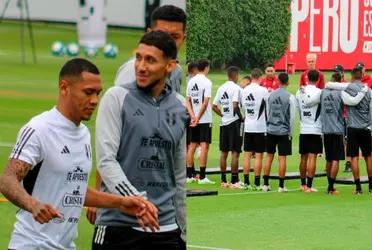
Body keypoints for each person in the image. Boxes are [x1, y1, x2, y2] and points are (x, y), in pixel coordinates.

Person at [0, 58, 158, 250]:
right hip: (31, 245)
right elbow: (7, 180)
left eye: (98, 93)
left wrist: (122, 202)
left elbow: (74, 188)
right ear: (64, 87)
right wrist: (33, 205)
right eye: (88, 92)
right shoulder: (39, 129)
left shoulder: (83, 134)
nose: (95, 101)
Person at [92, 31, 187, 249]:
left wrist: (182, 229)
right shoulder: (116, 97)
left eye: (150, 60)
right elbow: (106, 161)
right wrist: (139, 203)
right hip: (118, 227)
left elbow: (179, 173)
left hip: (167, 230)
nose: (141, 66)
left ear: (170, 66)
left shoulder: (181, 107)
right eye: (138, 57)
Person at [114, 5, 186, 93]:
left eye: (175, 37)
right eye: (161, 34)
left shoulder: (177, 71)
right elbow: (119, 103)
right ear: (149, 34)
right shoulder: (133, 70)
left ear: (183, 39)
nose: (168, 41)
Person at [262, 72, 296, 192]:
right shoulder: (290, 97)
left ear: (278, 81)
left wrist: (268, 126)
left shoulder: (270, 95)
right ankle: (281, 186)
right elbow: (292, 118)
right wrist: (290, 132)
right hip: (283, 131)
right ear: (287, 82)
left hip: (270, 129)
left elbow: (267, 112)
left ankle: (265, 184)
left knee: (269, 157)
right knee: (282, 158)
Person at [340, 67, 372, 194]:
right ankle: (371, 186)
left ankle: (358, 188)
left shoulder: (347, 89)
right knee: (369, 157)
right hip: (365, 128)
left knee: (354, 158)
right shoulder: (368, 91)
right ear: (362, 75)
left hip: (352, 128)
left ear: (352, 76)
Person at [212, 66, 243, 188]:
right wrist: (241, 118)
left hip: (224, 123)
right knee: (235, 152)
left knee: (223, 153)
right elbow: (235, 105)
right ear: (235, 76)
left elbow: (214, 106)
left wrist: (222, 114)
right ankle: (234, 180)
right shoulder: (236, 88)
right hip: (234, 122)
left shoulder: (221, 88)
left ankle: (223, 180)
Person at [186, 59, 214, 185]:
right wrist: (198, 117)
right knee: (204, 146)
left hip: (193, 118)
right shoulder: (207, 82)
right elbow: (205, 102)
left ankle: (189, 176)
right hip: (204, 119)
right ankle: (202, 177)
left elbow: (188, 100)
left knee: (192, 145)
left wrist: (192, 116)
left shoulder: (191, 81)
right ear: (206, 68)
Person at [240, 68, 269, 190]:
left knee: (246, 155)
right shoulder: (263, 90)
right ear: (260, 77)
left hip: (248, 126)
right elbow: (267, 108)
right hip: (260, 127)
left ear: (251, 77)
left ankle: (246, 182)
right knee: (258, 156)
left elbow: (243, 107)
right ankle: (257, 183)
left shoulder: (244, 90)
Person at [296, 70, 323, 193]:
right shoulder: (320, 92)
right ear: (318, 80)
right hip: (315, 129)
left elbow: (298, 108)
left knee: (303, 158)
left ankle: (302, 185)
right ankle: (309, 186)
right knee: (312, 158)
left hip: (303, 128)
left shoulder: (299, 91)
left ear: (307, 78)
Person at [320, 72, 346, 194]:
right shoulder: (340, 93)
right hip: (337, 130)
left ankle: (329, 186)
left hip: (326, 130)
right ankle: (331, 187)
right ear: (340, 80)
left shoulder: (323, 92)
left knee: (329, 159)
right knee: (335, 159)